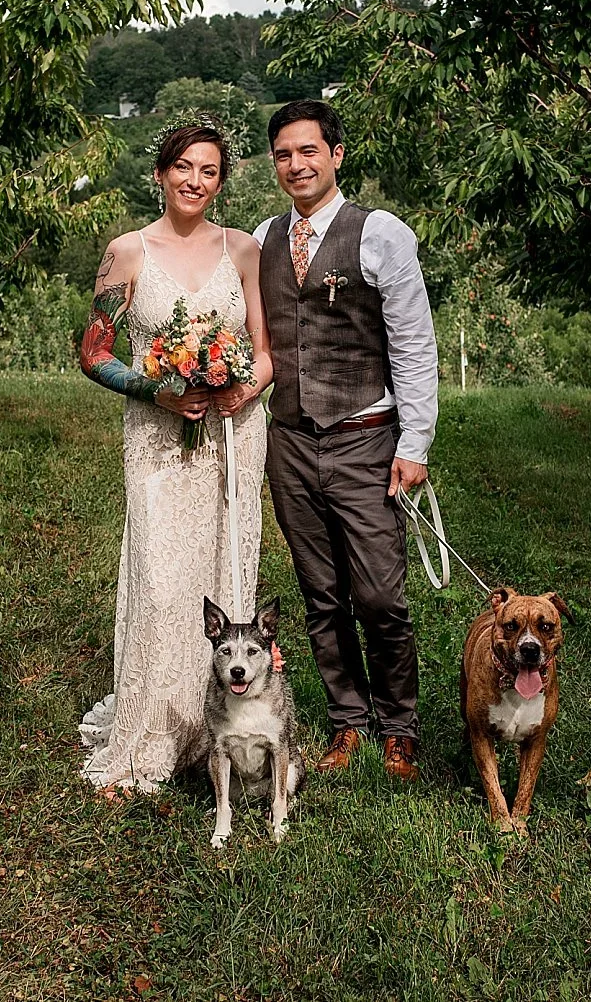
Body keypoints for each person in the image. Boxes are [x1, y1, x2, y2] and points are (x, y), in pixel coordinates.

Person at [76, 123, 273, 792]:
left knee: (226, 569)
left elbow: (267, 352)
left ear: (221, 181)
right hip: (158, 439)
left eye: (209, 170)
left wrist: (245, 385)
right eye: (183, 167)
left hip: (232, 437)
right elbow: (94, 352)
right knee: (164, 582)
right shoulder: (126, 252)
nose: (195, 180)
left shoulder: (243, 250)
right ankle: (158, 732)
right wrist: (152, 390)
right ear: (159, 173)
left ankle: (222, 730)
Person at [253, 100, 437, 783]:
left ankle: (400, 726)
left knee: (380, 597)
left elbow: (414, 344)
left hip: (365, 436)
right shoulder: (264, 238)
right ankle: (348, 722)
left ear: (336, 154)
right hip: (291, 439)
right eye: (283, 154)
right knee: (320, 592)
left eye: (309, 151)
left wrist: (413, 443)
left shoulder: (379, 233)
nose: (296, 164)